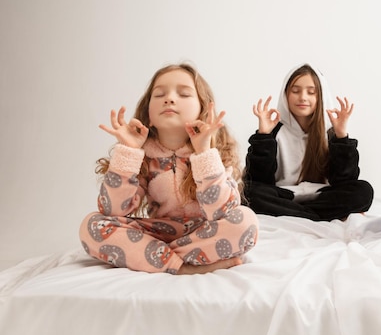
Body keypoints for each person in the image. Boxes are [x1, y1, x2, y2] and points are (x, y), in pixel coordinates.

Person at [79, 63, 258, 274]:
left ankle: (155, 259)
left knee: (246, 221)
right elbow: (113, 211)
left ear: (203, 108)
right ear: (149, 113)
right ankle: (183, 267)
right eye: (159, 94)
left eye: (183, 94)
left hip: (203, 233)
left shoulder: (213, 152)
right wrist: (128, 152)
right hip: (160, 231)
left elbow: (223, 211)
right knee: (91, 226)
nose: (170, 98)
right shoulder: (140, 155)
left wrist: (203, 153)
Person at [243, 63, 374, 221]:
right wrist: (263, 136)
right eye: (295, 91)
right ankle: (316, 216)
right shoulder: (274, 130)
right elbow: (258, 179)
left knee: (363, 191)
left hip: (321, 195)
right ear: (285, 95)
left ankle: (296, 213)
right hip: (283, 195)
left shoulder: (330, 132)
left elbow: (345, 181)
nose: (303, 97)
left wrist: (341, 137)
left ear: (320, 96)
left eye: (311, 92)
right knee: (249, 192)